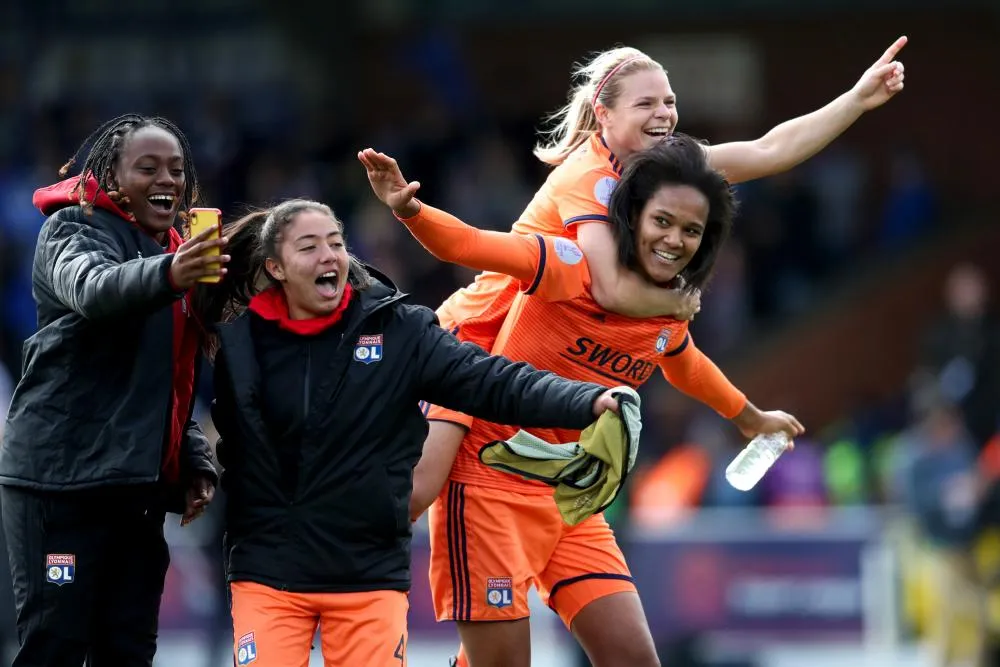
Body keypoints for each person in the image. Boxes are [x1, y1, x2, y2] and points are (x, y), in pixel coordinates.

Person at [384, 37, 906, 518]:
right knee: (418, 492)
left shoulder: (664, 171)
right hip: (476, 337)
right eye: (647, 104)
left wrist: (856, 100)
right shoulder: (588, 177)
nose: (665, 114)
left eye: (669, 101)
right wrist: (676, 304)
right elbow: (608, 289)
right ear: (603, 114)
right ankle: (317, 558)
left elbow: (771, 150)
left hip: (530, 364)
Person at [361, 136, 805, 667]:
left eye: (692, 230)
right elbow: (472, 245)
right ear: (632, 215)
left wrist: (751, 418)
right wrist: (410, 209)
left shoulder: (666, 312)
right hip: (489, 490)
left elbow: (688, 366)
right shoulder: (568, 264)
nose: (674, 240)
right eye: (662, 221)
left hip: (571, 500)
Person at [193, 199, 627, 667]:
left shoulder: (400, 331)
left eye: (336, 244)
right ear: (276, 267)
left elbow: (491, 381)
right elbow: (177, 375)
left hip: (367, 574)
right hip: (268, 573)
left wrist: (588, 400)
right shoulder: (241, 343)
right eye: (309, 246)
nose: (328, 256)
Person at [0, 114, 225, 667]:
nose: (165, 179)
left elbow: (165, 379)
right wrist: (172, 273)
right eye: (146, 168)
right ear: (113, 176)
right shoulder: (71, 229)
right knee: (55, 645)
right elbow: (94, 288)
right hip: (61, 483)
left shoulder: (171, 252)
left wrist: (192, 457)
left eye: (176, 168)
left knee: (127, 650)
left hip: (133, 491)